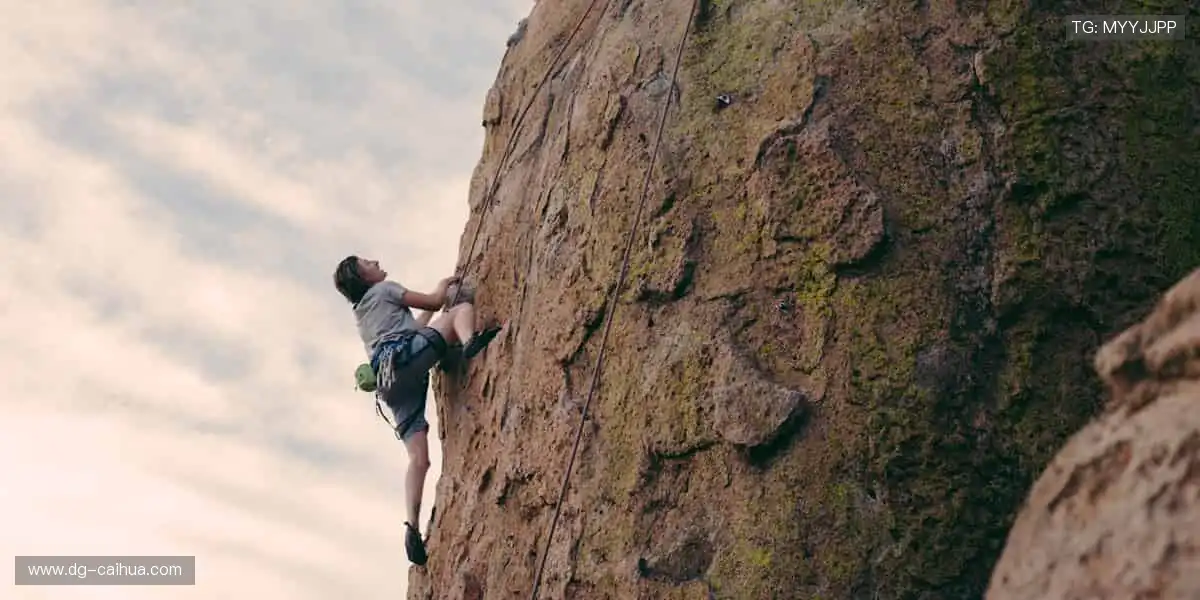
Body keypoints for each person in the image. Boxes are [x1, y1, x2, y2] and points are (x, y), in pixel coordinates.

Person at [333, 255, 501, 566]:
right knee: (461, 310)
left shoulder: (363, 313)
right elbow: (437, 302)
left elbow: (415, 330)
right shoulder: (386, 290)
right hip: (405, 362)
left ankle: (412, 525)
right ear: (364, 277)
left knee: (418, 459)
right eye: (367, 263)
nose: (376, 260)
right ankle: (470, 342)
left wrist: (433, 313)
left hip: (389, 382)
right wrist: (443, 286)